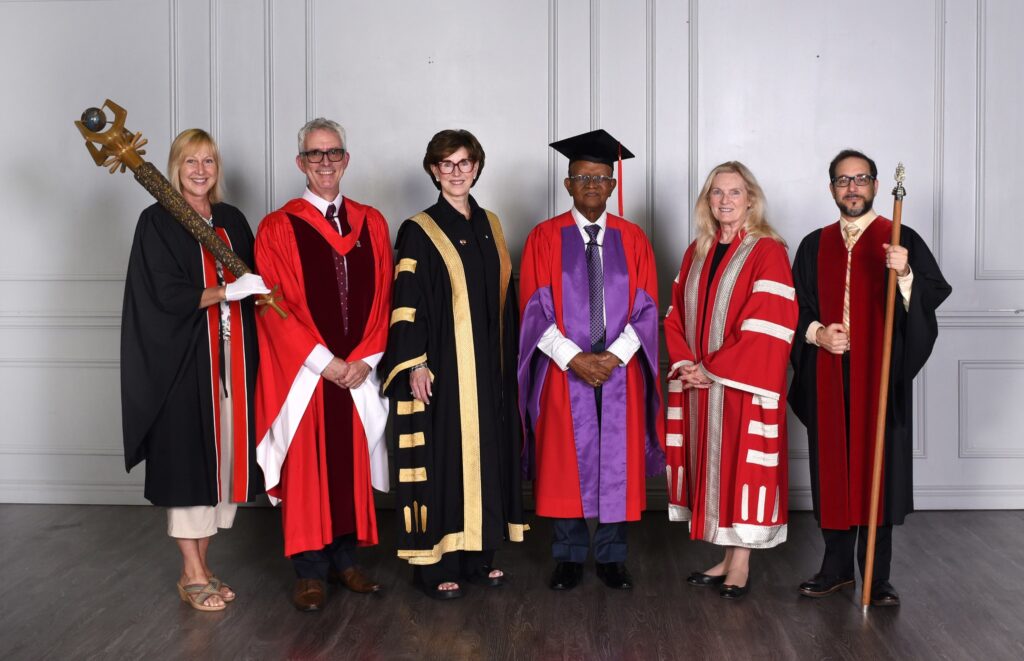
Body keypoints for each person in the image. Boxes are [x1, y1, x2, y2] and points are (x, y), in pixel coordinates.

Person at [790, 149, 951, 607]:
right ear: (832, 190)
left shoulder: (899, 239)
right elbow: (794, 308)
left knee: (878, 470)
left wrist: (905, 275)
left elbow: (928, 300)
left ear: (877, 186)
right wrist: (819, 333)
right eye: (843, 181)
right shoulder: (813, 245)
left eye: (861, 179)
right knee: (834, 467)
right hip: (827, 372)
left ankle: (877, 577)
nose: (852, 188)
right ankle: (836, 568)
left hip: (878, 376)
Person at [121, 128, 269, 612]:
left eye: (208, 161)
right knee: (187, 465)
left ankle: (202, 568)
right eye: (190, 162)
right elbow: (162, 295)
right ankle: (191, 571)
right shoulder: (157, 221)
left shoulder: (231, 219)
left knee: (223, 466)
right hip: (185, 368)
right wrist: (226, 292)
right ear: (174, 167)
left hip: (234, 366)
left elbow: (256, 279)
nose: (201, 170)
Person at [379, 129, 527, 600]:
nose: (456, 172)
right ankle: (433, 564)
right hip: (443, 365)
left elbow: (506, 300)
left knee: (486, 455)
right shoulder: (419, 229)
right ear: (433, 170)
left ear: (477, 167)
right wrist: (415, 361)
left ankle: (478, 557)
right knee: (444, 459)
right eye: (447, 164)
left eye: (464, 163)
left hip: (489, 367)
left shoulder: (493, 224)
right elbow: (407, 300)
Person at [253, 118, 393, 611]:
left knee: (347, 465)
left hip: (356, 371)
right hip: (307, 374)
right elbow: (272, 306)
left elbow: (384, 299)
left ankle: (346, 561)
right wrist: (325, 362)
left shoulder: (371, 222)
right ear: (301, 163)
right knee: (308, 470)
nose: (325, 162)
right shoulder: (277, 227)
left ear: (346, 159)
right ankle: (310, 571)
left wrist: (364, 359)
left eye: (333, 152)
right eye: (315, 154)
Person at [518, 129, 664, 592]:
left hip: (620, 372)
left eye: (601, 178)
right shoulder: (544, 237)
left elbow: (646, 307)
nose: (593, 185)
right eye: (583, 177)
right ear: (567, 184)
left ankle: (612, 557)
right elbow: (534, 308)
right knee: (565, 459)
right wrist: (574, 358)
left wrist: (613, 358)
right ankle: (567, 556)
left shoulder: (634, 238)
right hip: (564, 371)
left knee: (617, 460)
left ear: (614, 184)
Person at [663, 162, 797, 600]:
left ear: (750, 199)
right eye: (716, 193)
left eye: (734, 193)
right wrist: (686, 364)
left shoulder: (767, 250)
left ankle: (741, 563)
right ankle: (725, 555)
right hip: (702, 386)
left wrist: (712, 368)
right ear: (708, 201)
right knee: (714, 469)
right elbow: (675, 315)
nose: (725, 201)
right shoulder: (697, 250)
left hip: (741, 386)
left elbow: (767, 325)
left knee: (742, 469)